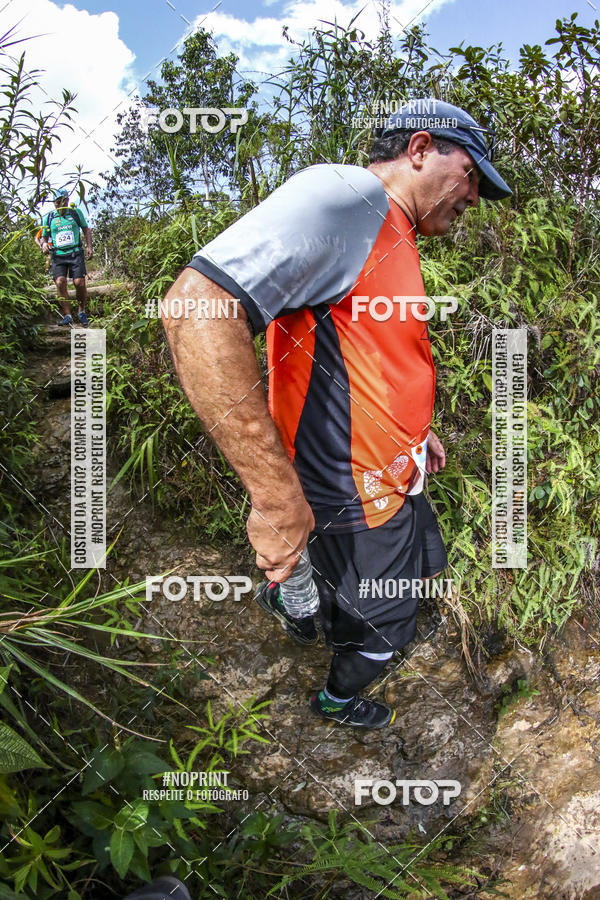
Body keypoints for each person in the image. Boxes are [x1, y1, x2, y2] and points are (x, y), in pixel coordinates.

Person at [161, 99, 512, 729]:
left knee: (419, 575)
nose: (474, 197)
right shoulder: (352, 197)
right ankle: (335, 698)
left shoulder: (392, 228)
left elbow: (367, 351)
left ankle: (297, 594)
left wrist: (417, 431)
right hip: (351, 494)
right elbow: (197, 307)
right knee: (385, 630)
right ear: (420, 148)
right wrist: (275, 500)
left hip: (396, 475)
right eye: (471, 176)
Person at [37, 187, 93, 326]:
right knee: (60, 282)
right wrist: (44, 244)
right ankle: (67, 315)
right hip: (58, 255)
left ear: (67, 200)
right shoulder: (50, 217)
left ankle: (81, 311)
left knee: (79, 282)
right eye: (57, 202)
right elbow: (43, 236)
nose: (59, 204)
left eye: (62, 201)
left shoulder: (75, 212)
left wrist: (89, 247)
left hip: (75, 253)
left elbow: (86, 229)